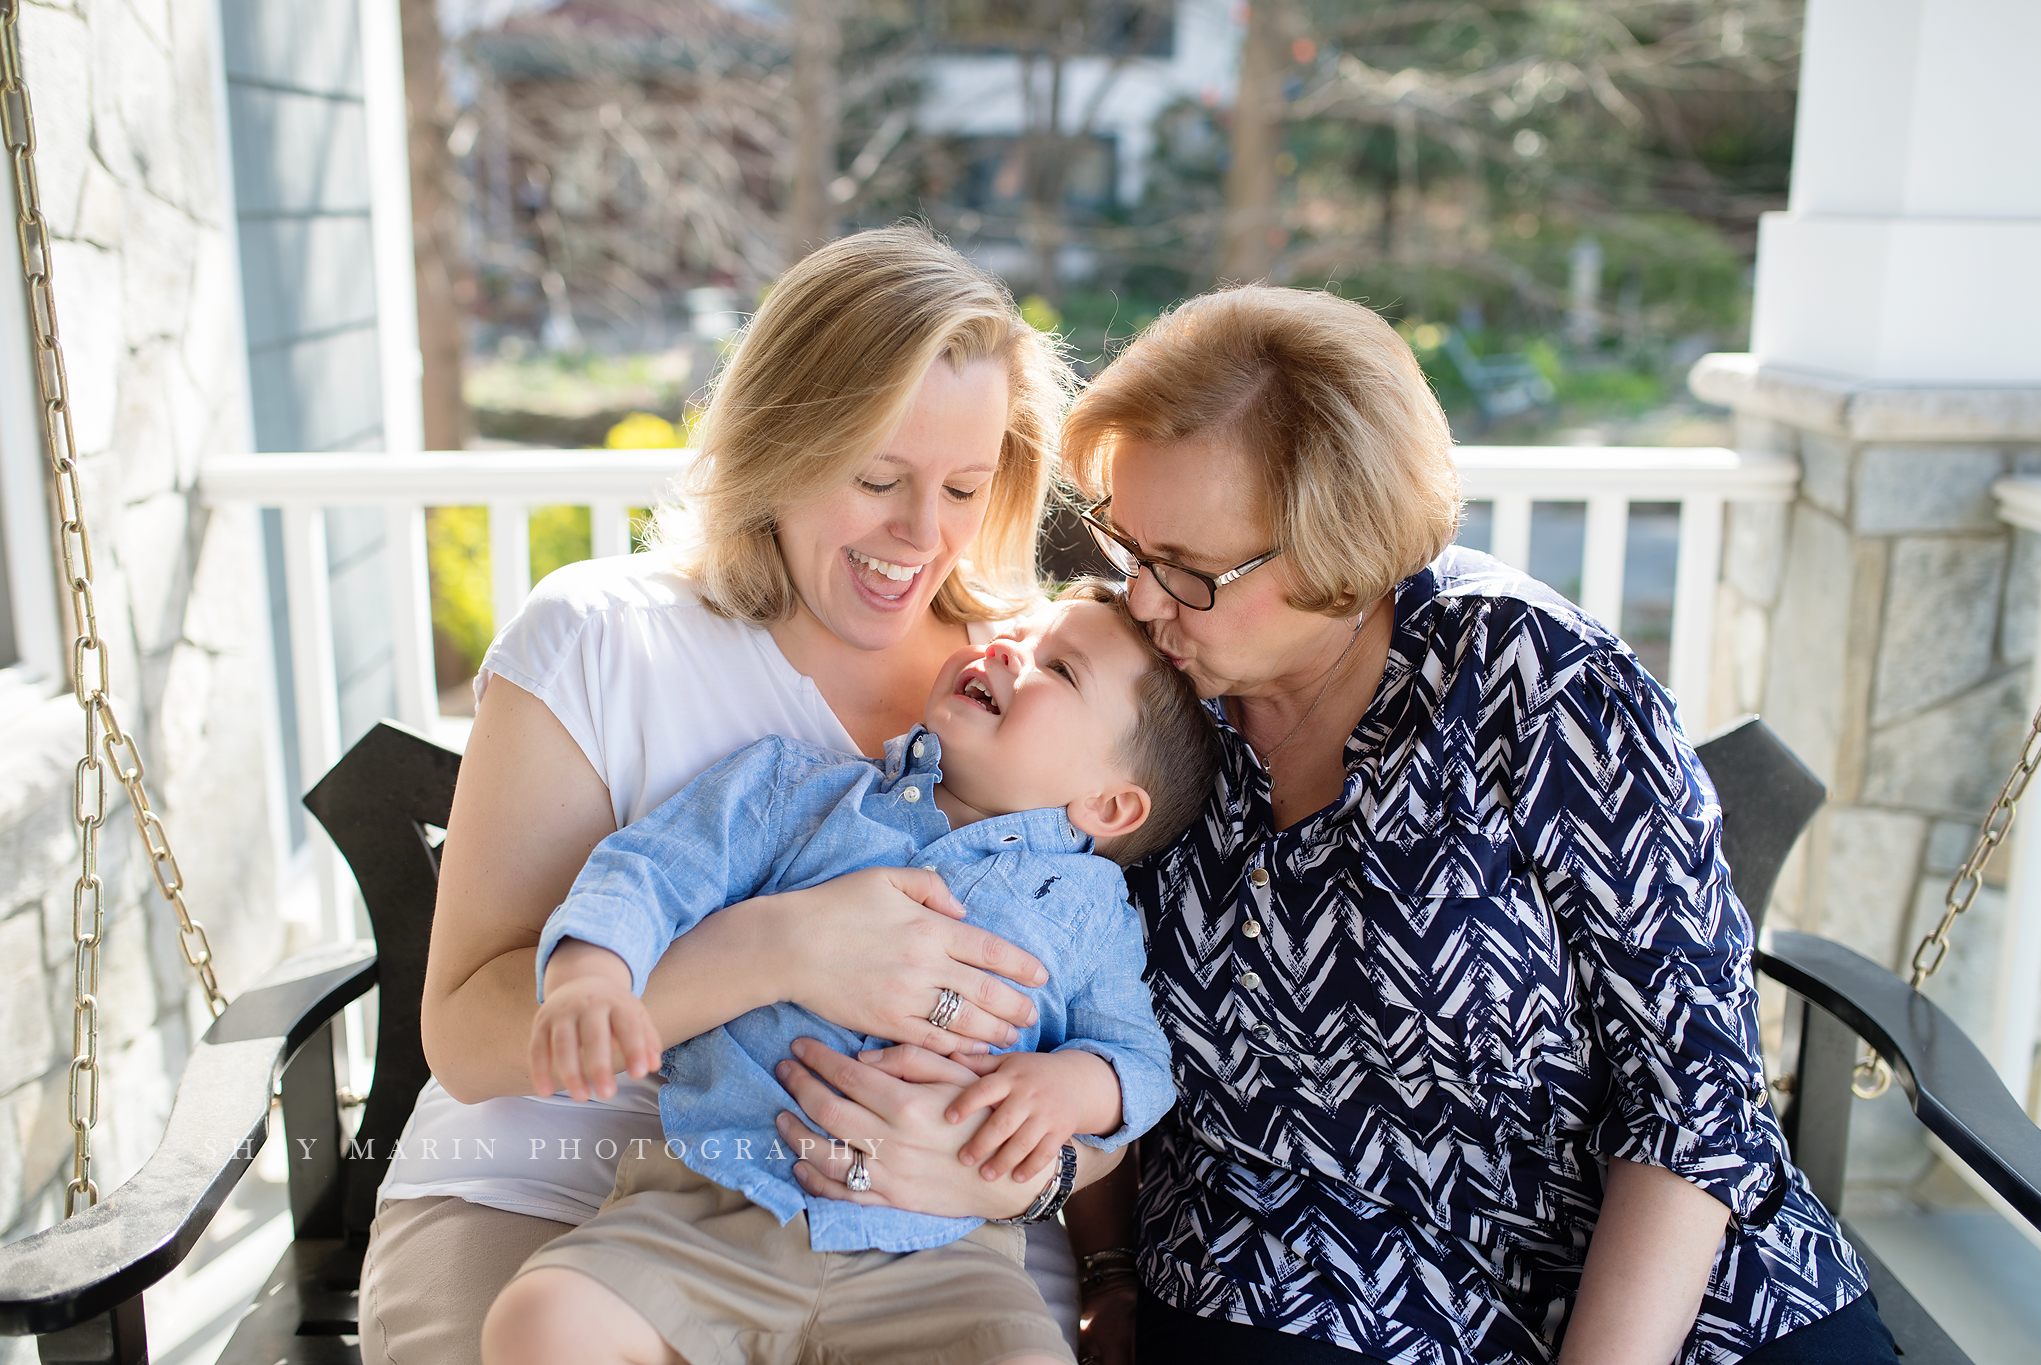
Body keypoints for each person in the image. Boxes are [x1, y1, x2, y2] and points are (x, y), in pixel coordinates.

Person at [1043, 286, 1888, 1365]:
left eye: (1190, 572)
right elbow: (1061, 986)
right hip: (1293, 1273)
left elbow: (1691, 1094)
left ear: (1340, 548)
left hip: (1657, 1280)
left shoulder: (1537, 683)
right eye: (1127, 544)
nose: (1144, 600)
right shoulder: (1127, 694)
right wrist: (1105, 1274)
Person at [359, 225, 1103, 1365]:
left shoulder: (1026, 691)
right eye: (875, 478)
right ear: (780, 442)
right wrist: (780, 951)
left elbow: (1102, 1024)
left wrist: (1022, 1159)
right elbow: (465, 1032)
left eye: (961, 486)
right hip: (551, 1183)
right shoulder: (601, 638)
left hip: (919, 1220)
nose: (921, 536)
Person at [480, 589, 1219, 1365]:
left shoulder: (1092, 911)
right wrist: (590, 975)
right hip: (713, 1206)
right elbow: (649, 871)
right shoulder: (797, 790)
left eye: (1058, 668)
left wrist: (1070, 1083)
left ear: (1109, 804)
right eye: (1008, 633)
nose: (1003, 649)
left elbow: (1138, 1058)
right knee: (542, 1320)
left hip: (939, 1256)